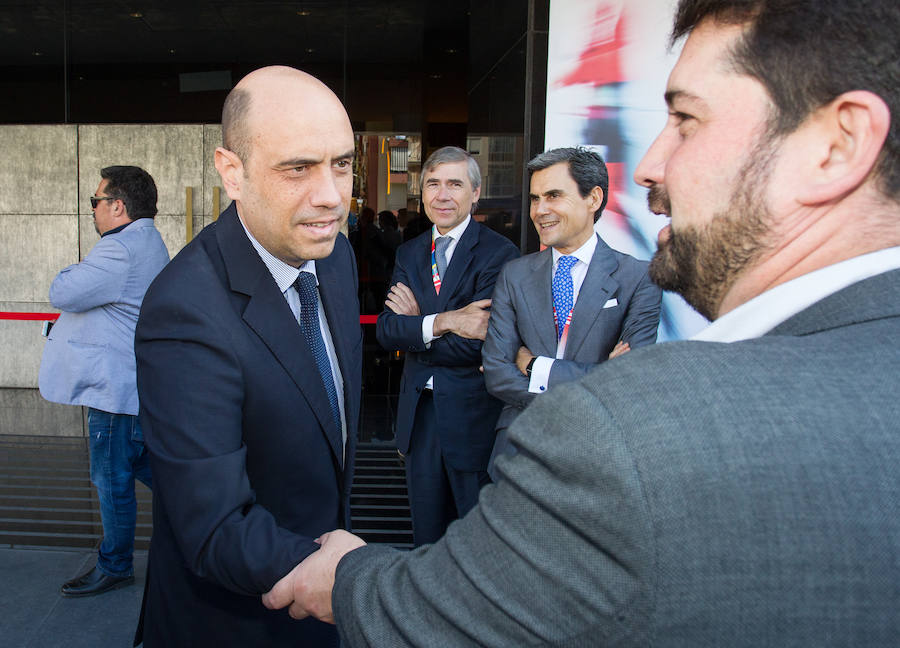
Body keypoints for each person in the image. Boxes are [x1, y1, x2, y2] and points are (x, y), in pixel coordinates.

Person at [261, 0, 900, 645]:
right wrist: (460, 330)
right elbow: (449, 349)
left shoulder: (640, 415)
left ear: (837, 144)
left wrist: (344, 575)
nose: (652, 164)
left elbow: (464, 614)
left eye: (686, 120)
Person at [133, 66, 361, 647]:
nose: (331, 196)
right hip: (233, 624)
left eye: (342, 163)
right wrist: (350, 576)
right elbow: (213, 527)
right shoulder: (185, 309)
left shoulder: (334, 257)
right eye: (298, 168)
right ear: (231, 172)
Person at [482, 147, 661, 477]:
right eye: (535, 198)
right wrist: (594, 378)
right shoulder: (515, 275)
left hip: (598, 453)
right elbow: (496, 371)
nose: (540, 210)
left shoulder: (637, 278)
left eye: (553, 196)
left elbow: (627, 379)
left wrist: (536, 366)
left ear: (593, 199)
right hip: (519, 451)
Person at [376, 146, 519, 546]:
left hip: (471, 420)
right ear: (422, 194)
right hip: (419, 419)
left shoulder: (499, 253)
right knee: (425, 539)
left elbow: (483, 345)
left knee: (474, 544)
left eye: (455, 184)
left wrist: (418, 326)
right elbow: (387, 331)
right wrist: (447, 321)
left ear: (475, 193)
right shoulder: (409, 252)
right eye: (433, 184)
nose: (442, 195)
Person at [38, 165, 169, 597]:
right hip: (131, 386)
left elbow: (63, 291)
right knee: (157, 471)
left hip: (113, 392)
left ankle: (115, 565)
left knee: (111, 481)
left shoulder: (118, 250)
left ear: (117, 206)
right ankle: (218, 524)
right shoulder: (146, 240)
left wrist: (69, 272)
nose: (92, 209)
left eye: (96, 201)